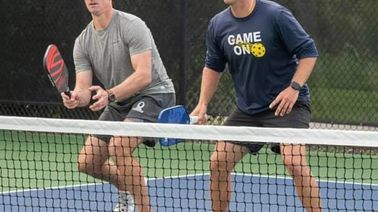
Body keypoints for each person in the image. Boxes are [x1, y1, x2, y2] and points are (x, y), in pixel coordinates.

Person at [191, 0, 322, 211]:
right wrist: (202, 103)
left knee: (294, 163)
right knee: (218, 163)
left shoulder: (276, 15)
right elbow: (213, 66)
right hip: (248, 110)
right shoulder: (218, 24)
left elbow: (309, 51)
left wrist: (294, 88)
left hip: (287, 106)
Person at [61, 0, 175, 211]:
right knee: (88, 162)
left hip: (154, 94)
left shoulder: (132, 25)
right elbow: (84, 89)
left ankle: (143, 208)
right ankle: (128, 186)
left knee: (119, 146)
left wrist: (110, 94)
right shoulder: (83, 42)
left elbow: (144, 75)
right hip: (118, 100)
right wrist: (76, 97)